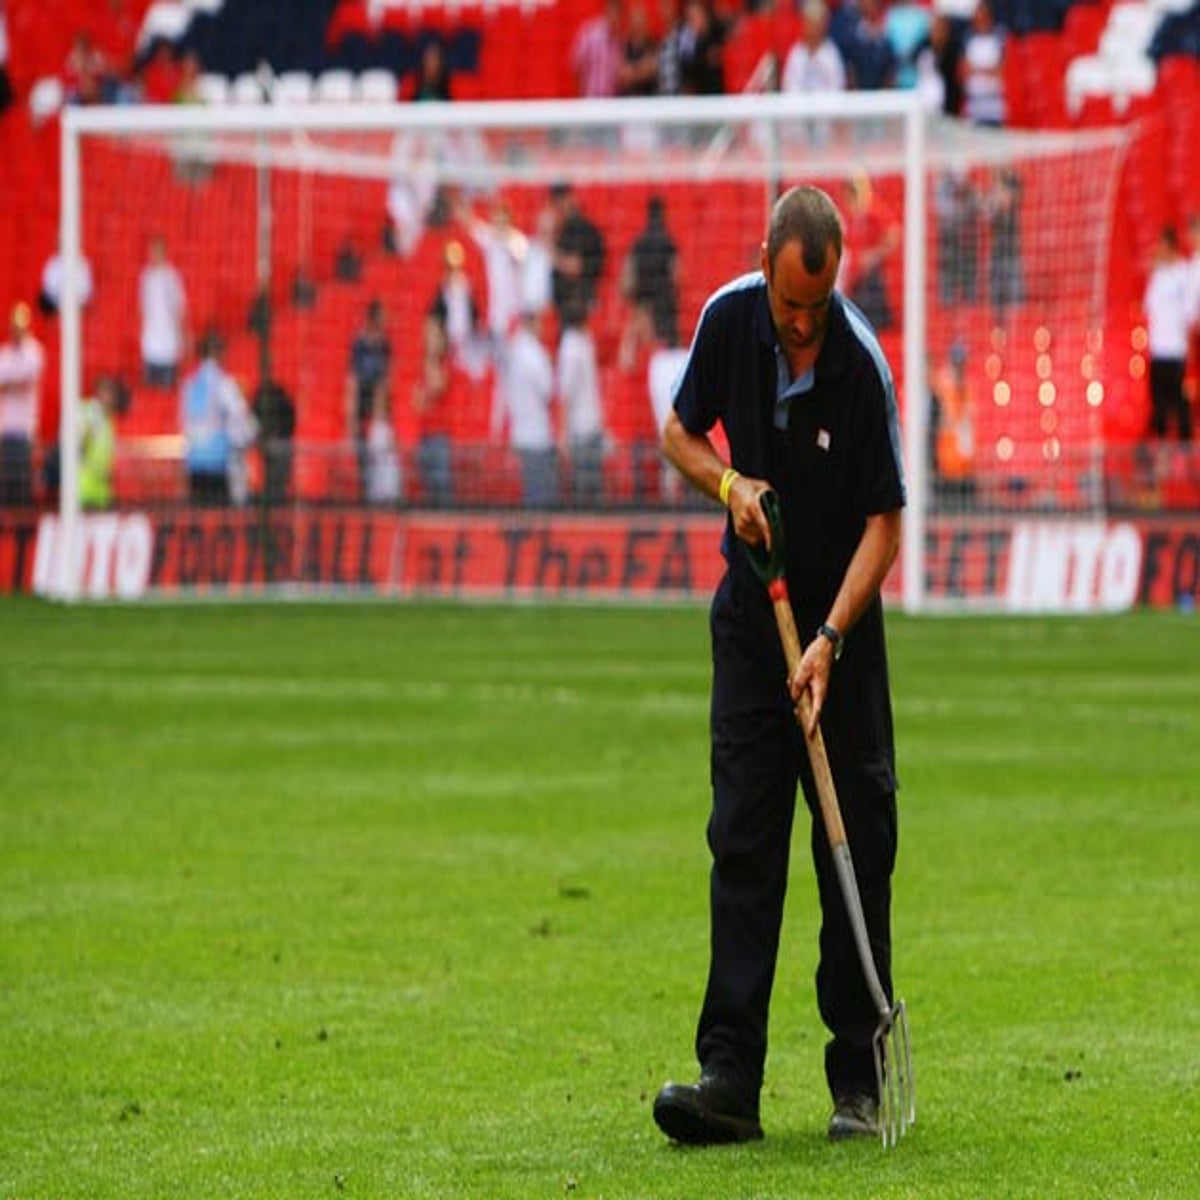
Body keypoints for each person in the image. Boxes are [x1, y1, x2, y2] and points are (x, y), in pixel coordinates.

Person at [653, 184, 906, 1146]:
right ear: (766, 266)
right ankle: (729, 1080)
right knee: (742, 837)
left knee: (858, 844)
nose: (804, 325)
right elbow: (676, 432)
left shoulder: (857, 361)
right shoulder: (728, 322)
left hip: (841, 623)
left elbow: (885, 528)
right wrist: (729, 483)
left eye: (820, 305)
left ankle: (859, 1080)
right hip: (754, 619)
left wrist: (834, 639)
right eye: (790, 306)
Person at [179, 330, 256, 506]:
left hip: (194, 462)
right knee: (220, 518)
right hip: (219, 462)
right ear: (219, 353)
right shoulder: (224, 383)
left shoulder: (189, 385)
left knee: (200, 517)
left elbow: (184, 422)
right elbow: (240, 415)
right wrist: (251, 436)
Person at [503, 307, 558, 508]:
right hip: (538, 436)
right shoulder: (536, 353)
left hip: (521, 433)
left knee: (530, 496)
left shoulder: (514, 348)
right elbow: (549, 390)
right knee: (542, 500)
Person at [1143, 226, 1194, 443]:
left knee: (1179, 400)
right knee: (1159, 403)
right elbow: (1149, 307)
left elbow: (1191, 308)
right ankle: (1161, 451)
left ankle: (1186, 448)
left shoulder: (1184, 272)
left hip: (1177, 348)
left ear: (1170, 246)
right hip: (1158, 348)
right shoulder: (1157, 275)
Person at [346, 298, 393, 502]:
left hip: (379, 407)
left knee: (379, 453)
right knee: (362, 455)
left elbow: (386, 379)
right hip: (362, 405)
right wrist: (352, 416)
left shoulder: (385, 346)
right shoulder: (359, 345)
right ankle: (364, 495)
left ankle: (378, 494)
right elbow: (353, 380)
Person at [0, 302, 45, 507]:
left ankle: (22, 536)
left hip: (25, 429)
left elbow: (23, 383)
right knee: (6, 484)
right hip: (5, 429)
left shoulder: (34, 351)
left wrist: (9, 385)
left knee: (21, 485)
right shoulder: (5, 354)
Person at [139, 234, 188, 388]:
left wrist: (183, 336)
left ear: (165, 252)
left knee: (167, 390)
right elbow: (143, 308)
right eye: (153, 250)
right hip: (150, 340)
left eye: (159, 250)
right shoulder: (145, 277)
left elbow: (180, 307)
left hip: (169, 341)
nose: (155, 254)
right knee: (150, 389)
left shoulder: (172, 277)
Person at [79, 375, 126, 510]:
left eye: (112, 393)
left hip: (102, 491)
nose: (111, 398)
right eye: (107, 392)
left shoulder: (109, 419)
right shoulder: (88, 413)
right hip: (83, 489)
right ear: (98, 393)